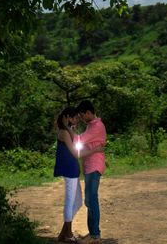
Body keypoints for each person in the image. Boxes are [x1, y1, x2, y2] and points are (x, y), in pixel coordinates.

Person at [76, 100, 106, 242]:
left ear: (88, 112)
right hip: (89, 166)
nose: (81, 119)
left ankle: (95, 235)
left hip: (94, 165)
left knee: (92, 199)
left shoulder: (97, 126)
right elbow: (82, 146)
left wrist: (66, 129)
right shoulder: (90, 126)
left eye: (82, 116)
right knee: (89, 200)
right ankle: (92, 233)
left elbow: (80, 140)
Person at [53, 107, 82, 242]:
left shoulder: (67, 131)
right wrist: (93, 151)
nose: (76, 120)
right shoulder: (63, 132)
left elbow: (75, 139)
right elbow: (75, 152)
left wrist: (69, 126)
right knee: (70, 202)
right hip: (69, 169)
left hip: (73, 169)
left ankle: (63, 233)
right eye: (74, 117)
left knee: (78, 202)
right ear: (68, 117)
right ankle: (68, 235)